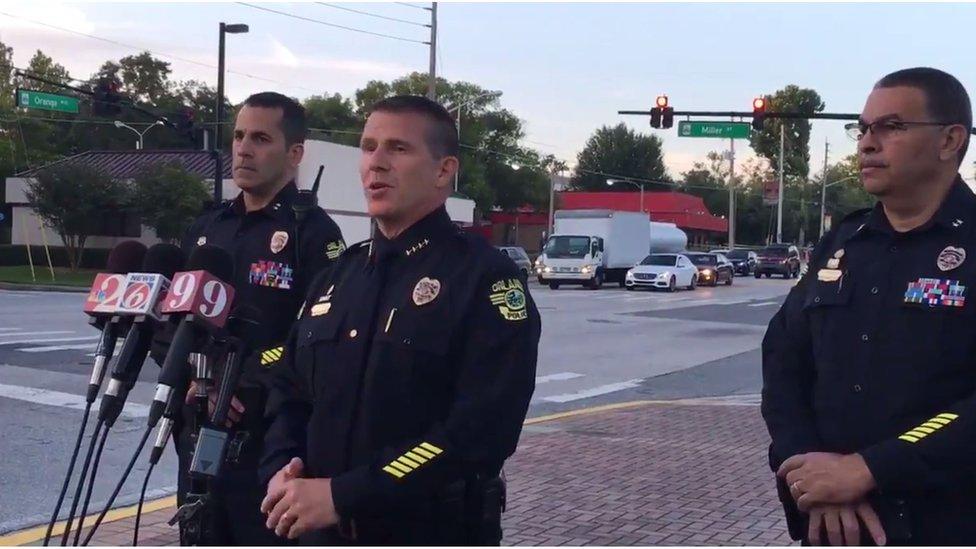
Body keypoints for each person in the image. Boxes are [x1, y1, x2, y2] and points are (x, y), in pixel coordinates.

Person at [258, 95, 541, 545]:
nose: (377, 163)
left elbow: (480, 431)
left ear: (444, 171)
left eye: (398, 149)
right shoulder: (339, 277)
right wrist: (281, 465)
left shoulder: (484, 281)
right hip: (317, 531)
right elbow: (290, 391)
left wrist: (344, 494)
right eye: (369, 147)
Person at [762, 67, 976, 546]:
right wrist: (808, 464)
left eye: (891, 127)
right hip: (832, 526)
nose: (866, 143)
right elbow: (782, 360)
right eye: (862, 128)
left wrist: (870, 469)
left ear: (949, 141)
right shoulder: (843, 244)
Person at [171, 91, 344, 545]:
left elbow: (314, 339)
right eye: (240, 136)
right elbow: (172, 316)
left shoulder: (315, 234)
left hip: (265, 434)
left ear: (295, 154)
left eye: (261, 138)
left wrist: (235, 383)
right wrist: (197, 380)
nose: (243, 148)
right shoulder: (209, 227)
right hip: (195, 421)